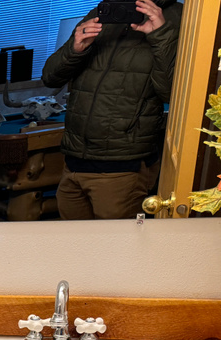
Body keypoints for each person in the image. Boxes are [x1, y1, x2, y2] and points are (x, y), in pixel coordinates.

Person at [42, 0, 183, 219]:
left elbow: (173, 94)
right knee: (72, 248)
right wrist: (75, 48)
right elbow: (50, 77)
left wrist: (160, 35)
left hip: (123, 166)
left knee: (118, 250)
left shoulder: (180, 19)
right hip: (73, 160)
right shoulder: (103, 9)